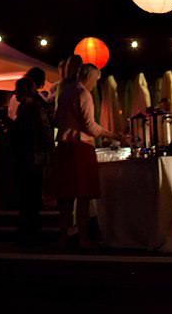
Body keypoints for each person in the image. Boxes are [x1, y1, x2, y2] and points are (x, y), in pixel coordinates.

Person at [54, 62, 122, 248]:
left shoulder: (66, 92)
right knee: (83, 196)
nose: (95, 84)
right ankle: (83, 237)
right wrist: (114, 135)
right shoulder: (84, 94)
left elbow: (57, 119)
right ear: (89, 77)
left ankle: (63, 237)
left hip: (64, 146)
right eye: (95, 80)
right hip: (80, 147)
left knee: (66, 196)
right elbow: (90, 126)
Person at [11, 75, 54, 245]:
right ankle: (32, 227)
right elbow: (45, 133)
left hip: (27, 156)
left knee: (26, 194)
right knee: (33, 193)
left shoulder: (27, 108)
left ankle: (28, 228)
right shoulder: (38, 107)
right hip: (36, 156)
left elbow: (23, 133)